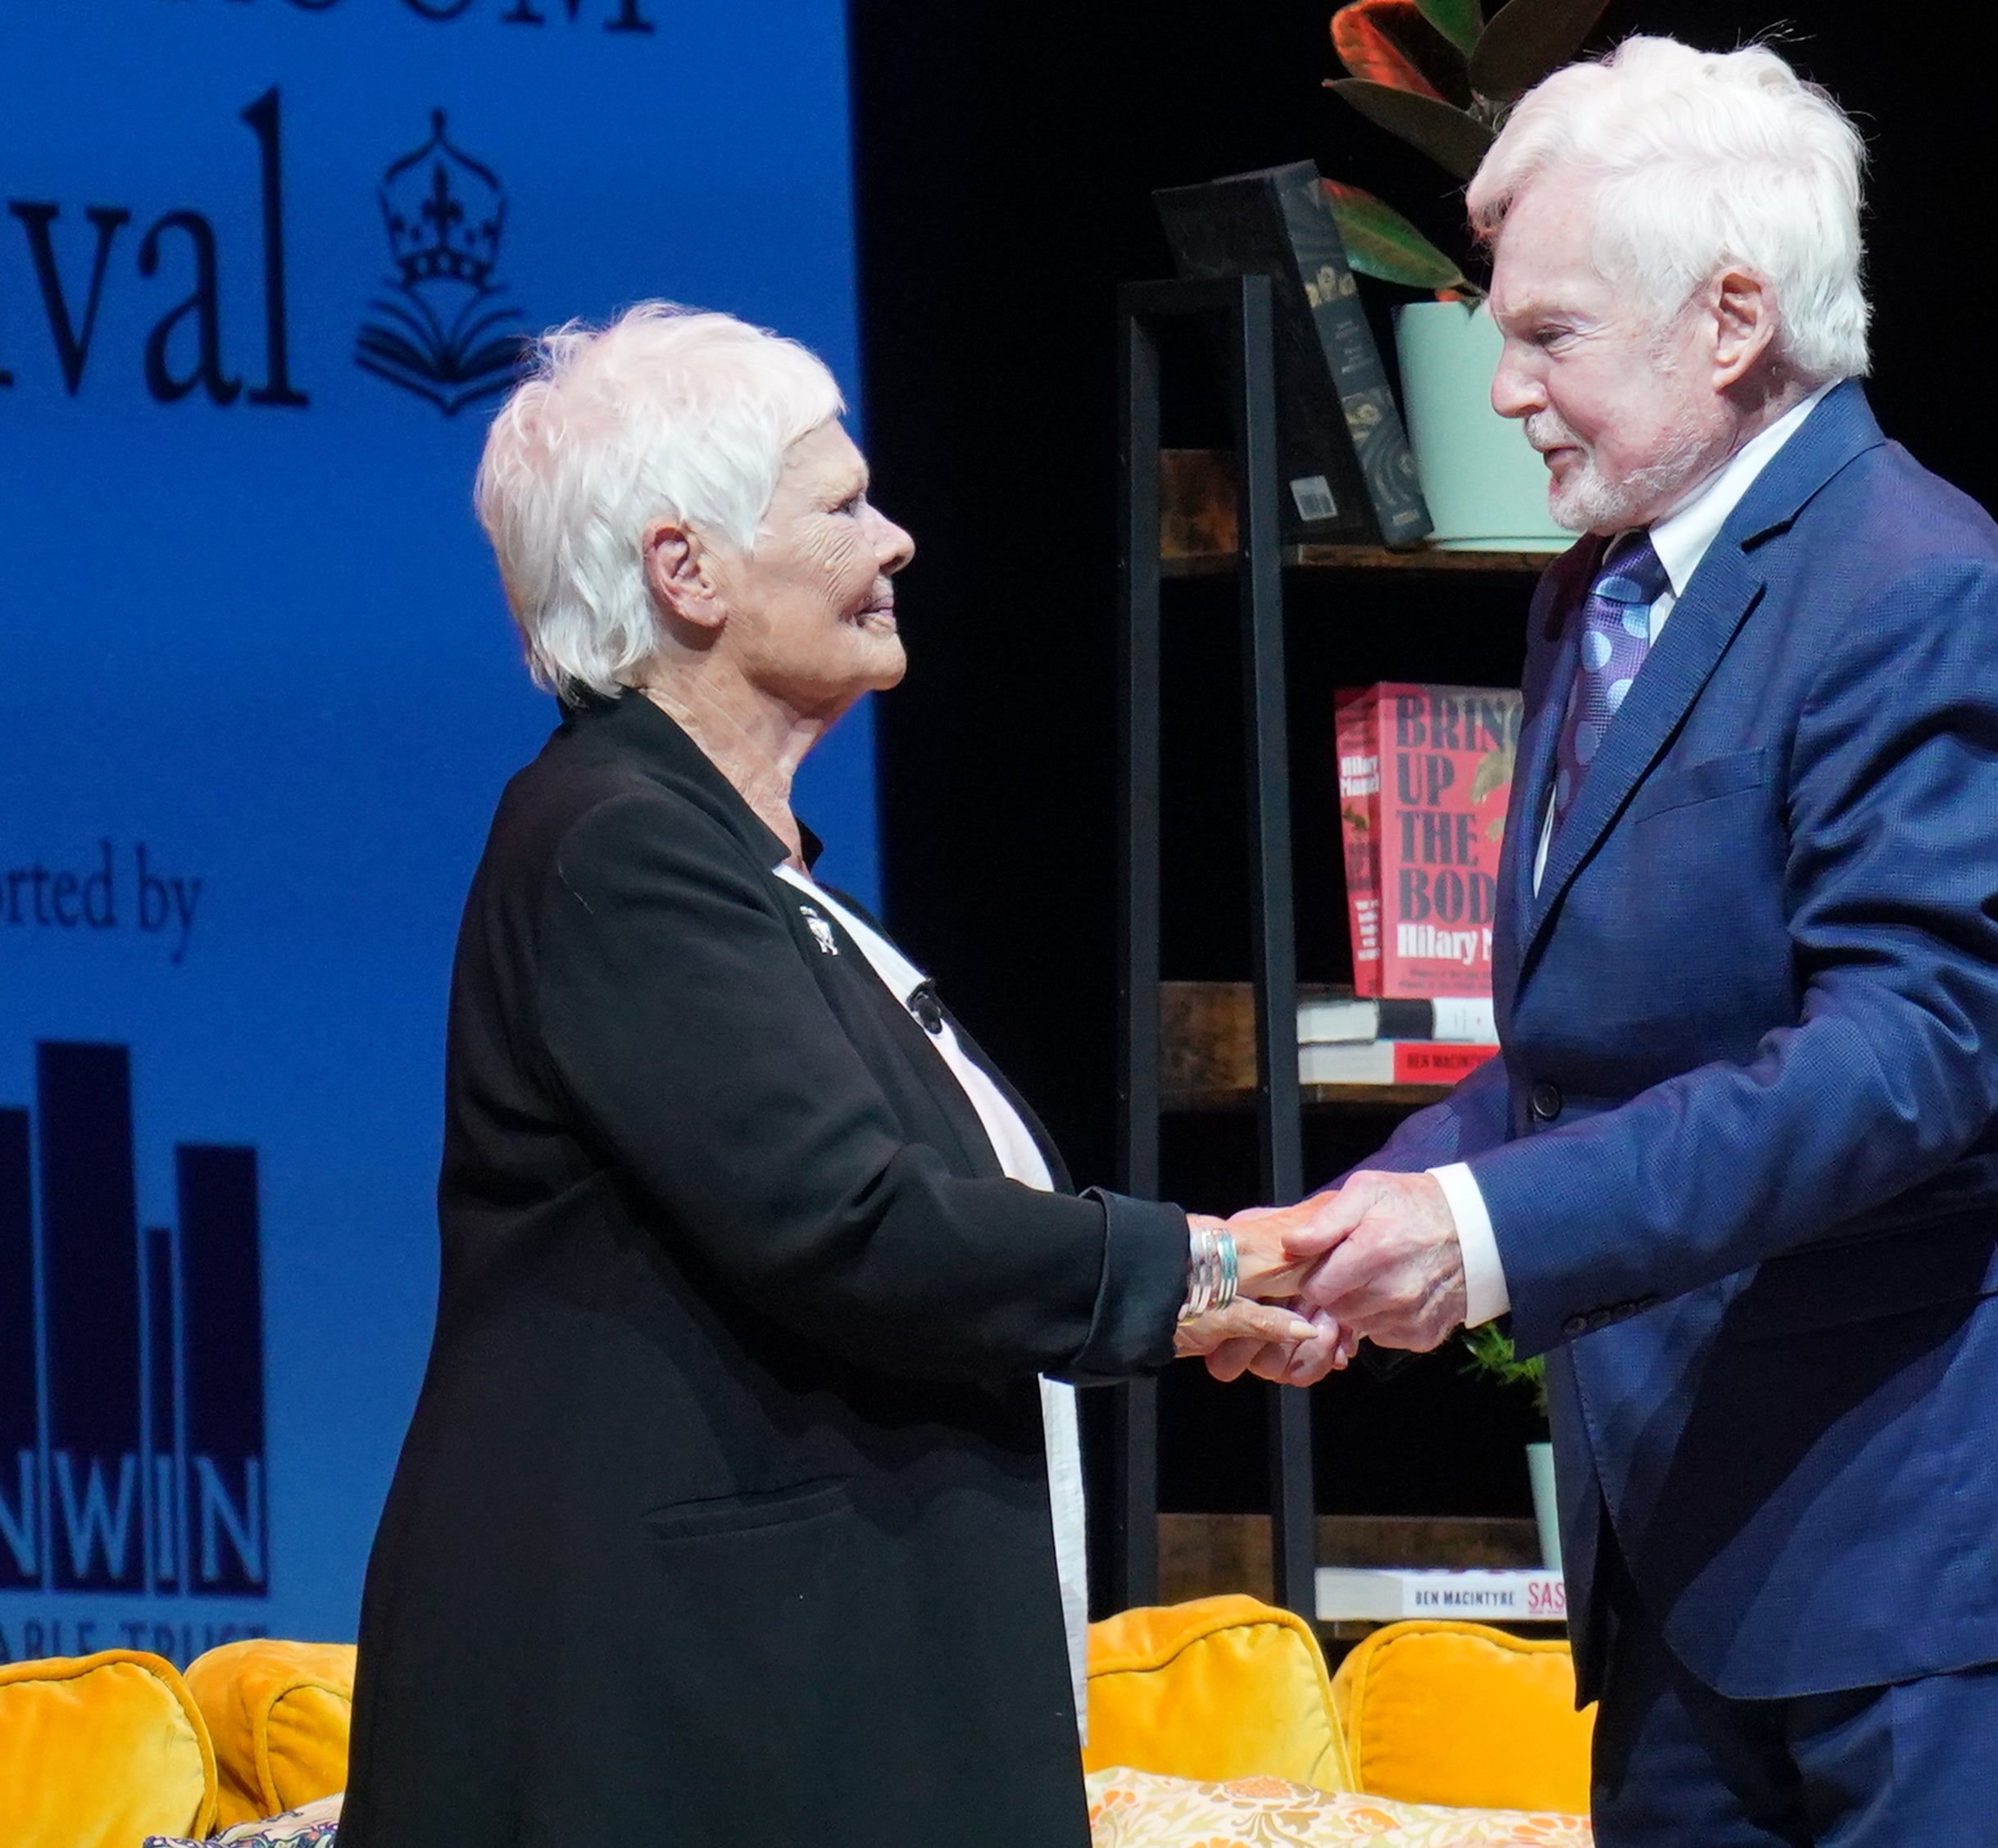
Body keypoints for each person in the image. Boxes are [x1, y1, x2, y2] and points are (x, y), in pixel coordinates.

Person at [1266, 36, 1998, 1847]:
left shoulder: (1910, 584)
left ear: (1729, 320)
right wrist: (1358, 1224)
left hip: (1948, 1561)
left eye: (1550, 337)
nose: (1505, 390)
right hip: (1704, 1552)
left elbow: (1908, 1057)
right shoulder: (1604, 588)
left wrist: (1477, 1240)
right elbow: (1604, 1054)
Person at [337, 304, 1338, 1848]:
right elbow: (851, 1225)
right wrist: (1195, 1266)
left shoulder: (748, 876)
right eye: (842, 506)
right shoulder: (620, 848)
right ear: (689, 573)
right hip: (672, 1726)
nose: (901, 539)